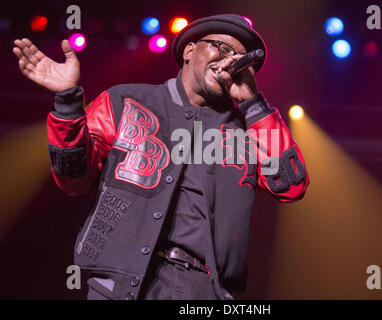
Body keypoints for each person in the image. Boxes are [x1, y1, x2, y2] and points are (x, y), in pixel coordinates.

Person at [13, 14, 310, 300]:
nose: (231, 60)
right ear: (189, 50)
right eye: (222, 47)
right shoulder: (126, 100)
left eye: (241, 58)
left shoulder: (246, 130)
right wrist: (67, 102)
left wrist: (252, 102)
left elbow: (290, 185)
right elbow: (74, 179)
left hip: (206, 290)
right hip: (119, 285)